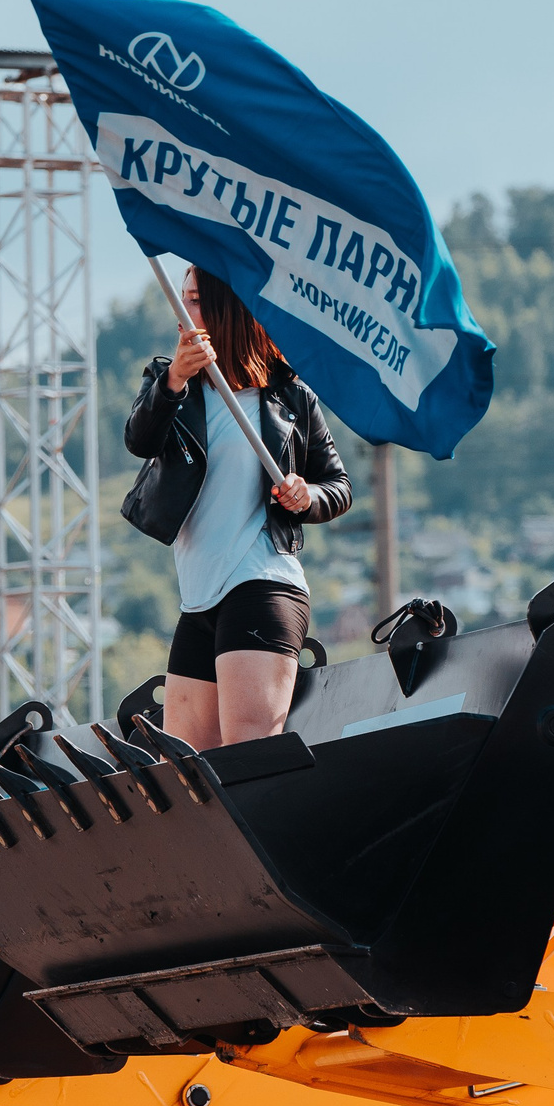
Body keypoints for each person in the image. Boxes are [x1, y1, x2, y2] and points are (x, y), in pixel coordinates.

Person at [123, 267, 351, 749]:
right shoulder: (168, 383)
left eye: (195, 301)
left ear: (227, 309)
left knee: (247, 754)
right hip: (198, 600)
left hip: (262, 583)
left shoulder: (291, 397)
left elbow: (339, 485)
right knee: (188, 767)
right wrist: (175, 380)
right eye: (181, 299)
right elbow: (140, 440)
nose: (182, 312)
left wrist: (306, 496)